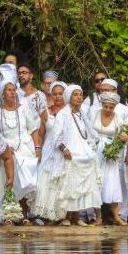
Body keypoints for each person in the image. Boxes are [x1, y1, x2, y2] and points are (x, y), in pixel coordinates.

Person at [54, 85, 102, 226]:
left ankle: (78, 216)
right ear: (69, 97)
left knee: (88, 181)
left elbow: (88, 134)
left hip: (84, 152)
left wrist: (91, 146)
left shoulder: (82, 114)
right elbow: (56, 135)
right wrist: (64, 148)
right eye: (75, 94)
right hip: (70, 152)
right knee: (71, 183)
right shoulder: (63, 113)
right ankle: (68, 217)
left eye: (81, 94)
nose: (79, 97)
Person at [0, 79, 41, 220]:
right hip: (6, 150)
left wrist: (37, 148)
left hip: (25, 148)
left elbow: (33, 130)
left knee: (25, 182)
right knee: (9, 181)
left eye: (14, 90)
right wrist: (4, 148)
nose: (12, 92)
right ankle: (9, 215)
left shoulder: (23, 108)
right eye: (9, 90)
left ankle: (24, 215)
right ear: (2, 94)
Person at [93, 92, 128, 225]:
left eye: (111, 107)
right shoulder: (94, 114)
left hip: (110, 153)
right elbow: (88, 131)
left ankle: (116, 215)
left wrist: (126, 140)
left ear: (114, 107)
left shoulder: (118, 118)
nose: (108, 110)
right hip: (95, 151)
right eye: (105, 107)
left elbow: (126, 137)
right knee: (96, 182)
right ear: (102, 105)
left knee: (112, 183)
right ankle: (98, 217)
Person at [32, 81, 68, 222]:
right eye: (55, 94)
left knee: (60, 182)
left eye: (61, 94)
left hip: (64, 151)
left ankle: (61, 215)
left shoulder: (69, 111)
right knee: (45, 181)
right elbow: (40, 134)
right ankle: (46, 214)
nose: (58, 96)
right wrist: (38, 149)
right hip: (48, 150)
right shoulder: (46, 111)